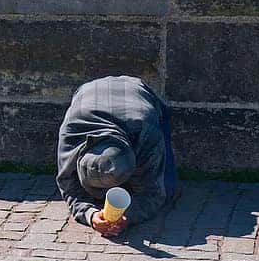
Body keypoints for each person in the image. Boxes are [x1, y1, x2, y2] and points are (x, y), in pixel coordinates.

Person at [56, 75, 177, 237]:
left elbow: (154, 193)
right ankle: (120, 184)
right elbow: (69, 188)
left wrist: (128, 216)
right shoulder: (71, 133)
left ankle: (140, 183)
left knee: (167, 186)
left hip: (137, 91)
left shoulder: (146, 133)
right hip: (89, 91)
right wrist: (90, 215)